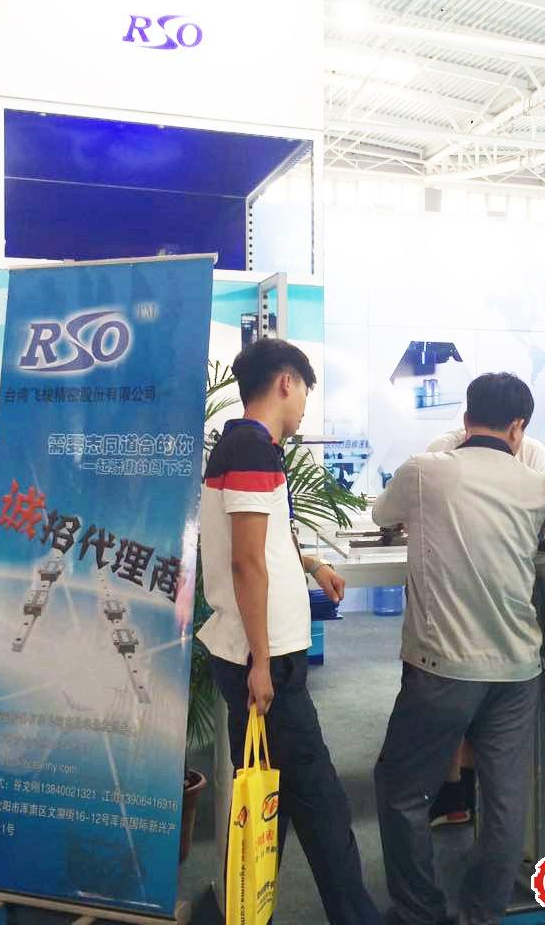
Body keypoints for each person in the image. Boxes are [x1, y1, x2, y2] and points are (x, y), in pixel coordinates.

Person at [197, 338, 382, 925]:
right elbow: (246, 562)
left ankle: (244, 913)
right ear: (285, 382)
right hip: (266, 659)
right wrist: (260, 662)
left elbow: (261, 540)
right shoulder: (252, 448)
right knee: (320, 803)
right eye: (304, 391)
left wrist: (312, 564)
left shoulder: (246, 446)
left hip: (253, 654)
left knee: (263, 801)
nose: (304, 405)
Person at [372, 373, 545, 925]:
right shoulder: (537, 486)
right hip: (518, 665)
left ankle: (420, 911)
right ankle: (482, 913)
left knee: (402, 789)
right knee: (504, 800)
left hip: (442, 664)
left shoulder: (426, 470)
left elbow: (381, 516)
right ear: (518, 427)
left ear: (466, 417)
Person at [422, 422, 545, 827]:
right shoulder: (443, 449)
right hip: (464, 604)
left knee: (475, 710)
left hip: (497, 607)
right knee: (458, 713)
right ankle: (454, 792)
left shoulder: (534, 455)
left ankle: (463, 792)